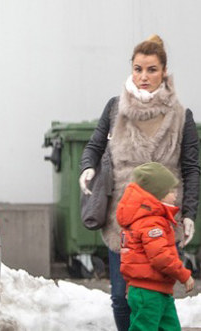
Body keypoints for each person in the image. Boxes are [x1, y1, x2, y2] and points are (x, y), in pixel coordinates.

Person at [79, 34, 199, 331]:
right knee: (122, 298)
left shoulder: (181, 116)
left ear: (164, 72)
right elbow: (94, 146)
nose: (144, 77)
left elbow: (192, 168)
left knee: (159, 299)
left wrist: (189, 214)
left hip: (164, 220)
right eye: (138, 69)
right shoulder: (114, 108)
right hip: (124, 220)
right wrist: (87, 168)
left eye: (151, 69)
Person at [117, 162, 195, 331]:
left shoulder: (151, 219)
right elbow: (161, 258)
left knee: (170, 327)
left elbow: (134, 257)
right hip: (149, 292)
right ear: (157, 195)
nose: (175, 195)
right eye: (171, 191)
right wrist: (184, 275)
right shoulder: (151, 222)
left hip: (157, 289)